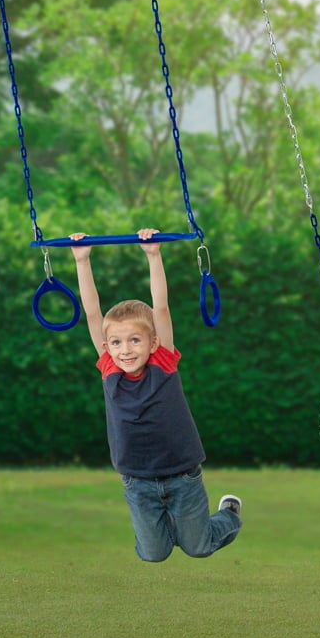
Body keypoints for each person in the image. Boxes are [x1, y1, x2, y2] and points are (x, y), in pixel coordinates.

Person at [69, 230, 242, 563]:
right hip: (137, 480)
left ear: (152, 343)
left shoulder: (163, 362)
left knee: (198, 546)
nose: (125, 349)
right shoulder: (110, 371)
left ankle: (229, 514)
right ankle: (165, 531)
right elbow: (93, 314)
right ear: (107, 348)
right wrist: (82, 260)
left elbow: (160, 307)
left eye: (135, 340)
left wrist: (152, 255)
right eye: (117, 343)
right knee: (153, 554)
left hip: (182, 473)